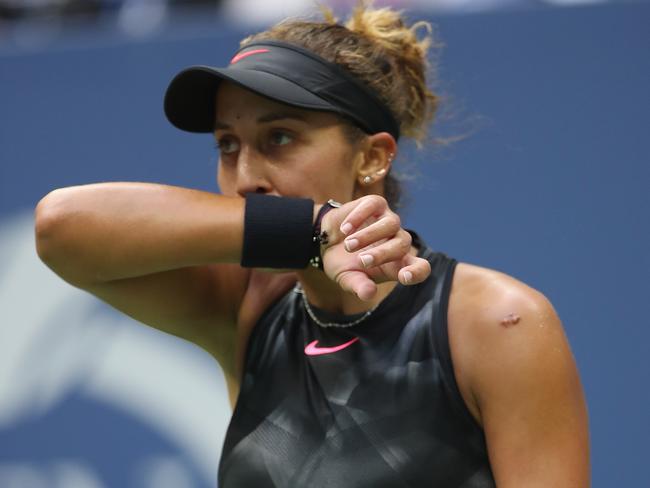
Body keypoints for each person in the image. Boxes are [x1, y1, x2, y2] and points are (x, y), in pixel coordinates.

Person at [34, 2, 590, 487]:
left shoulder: (499, 322)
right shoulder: (247, 305)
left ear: (372, 157)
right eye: (228, 145)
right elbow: (61, 227)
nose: (247, 176)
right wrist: (309, 231)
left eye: (280, 138)